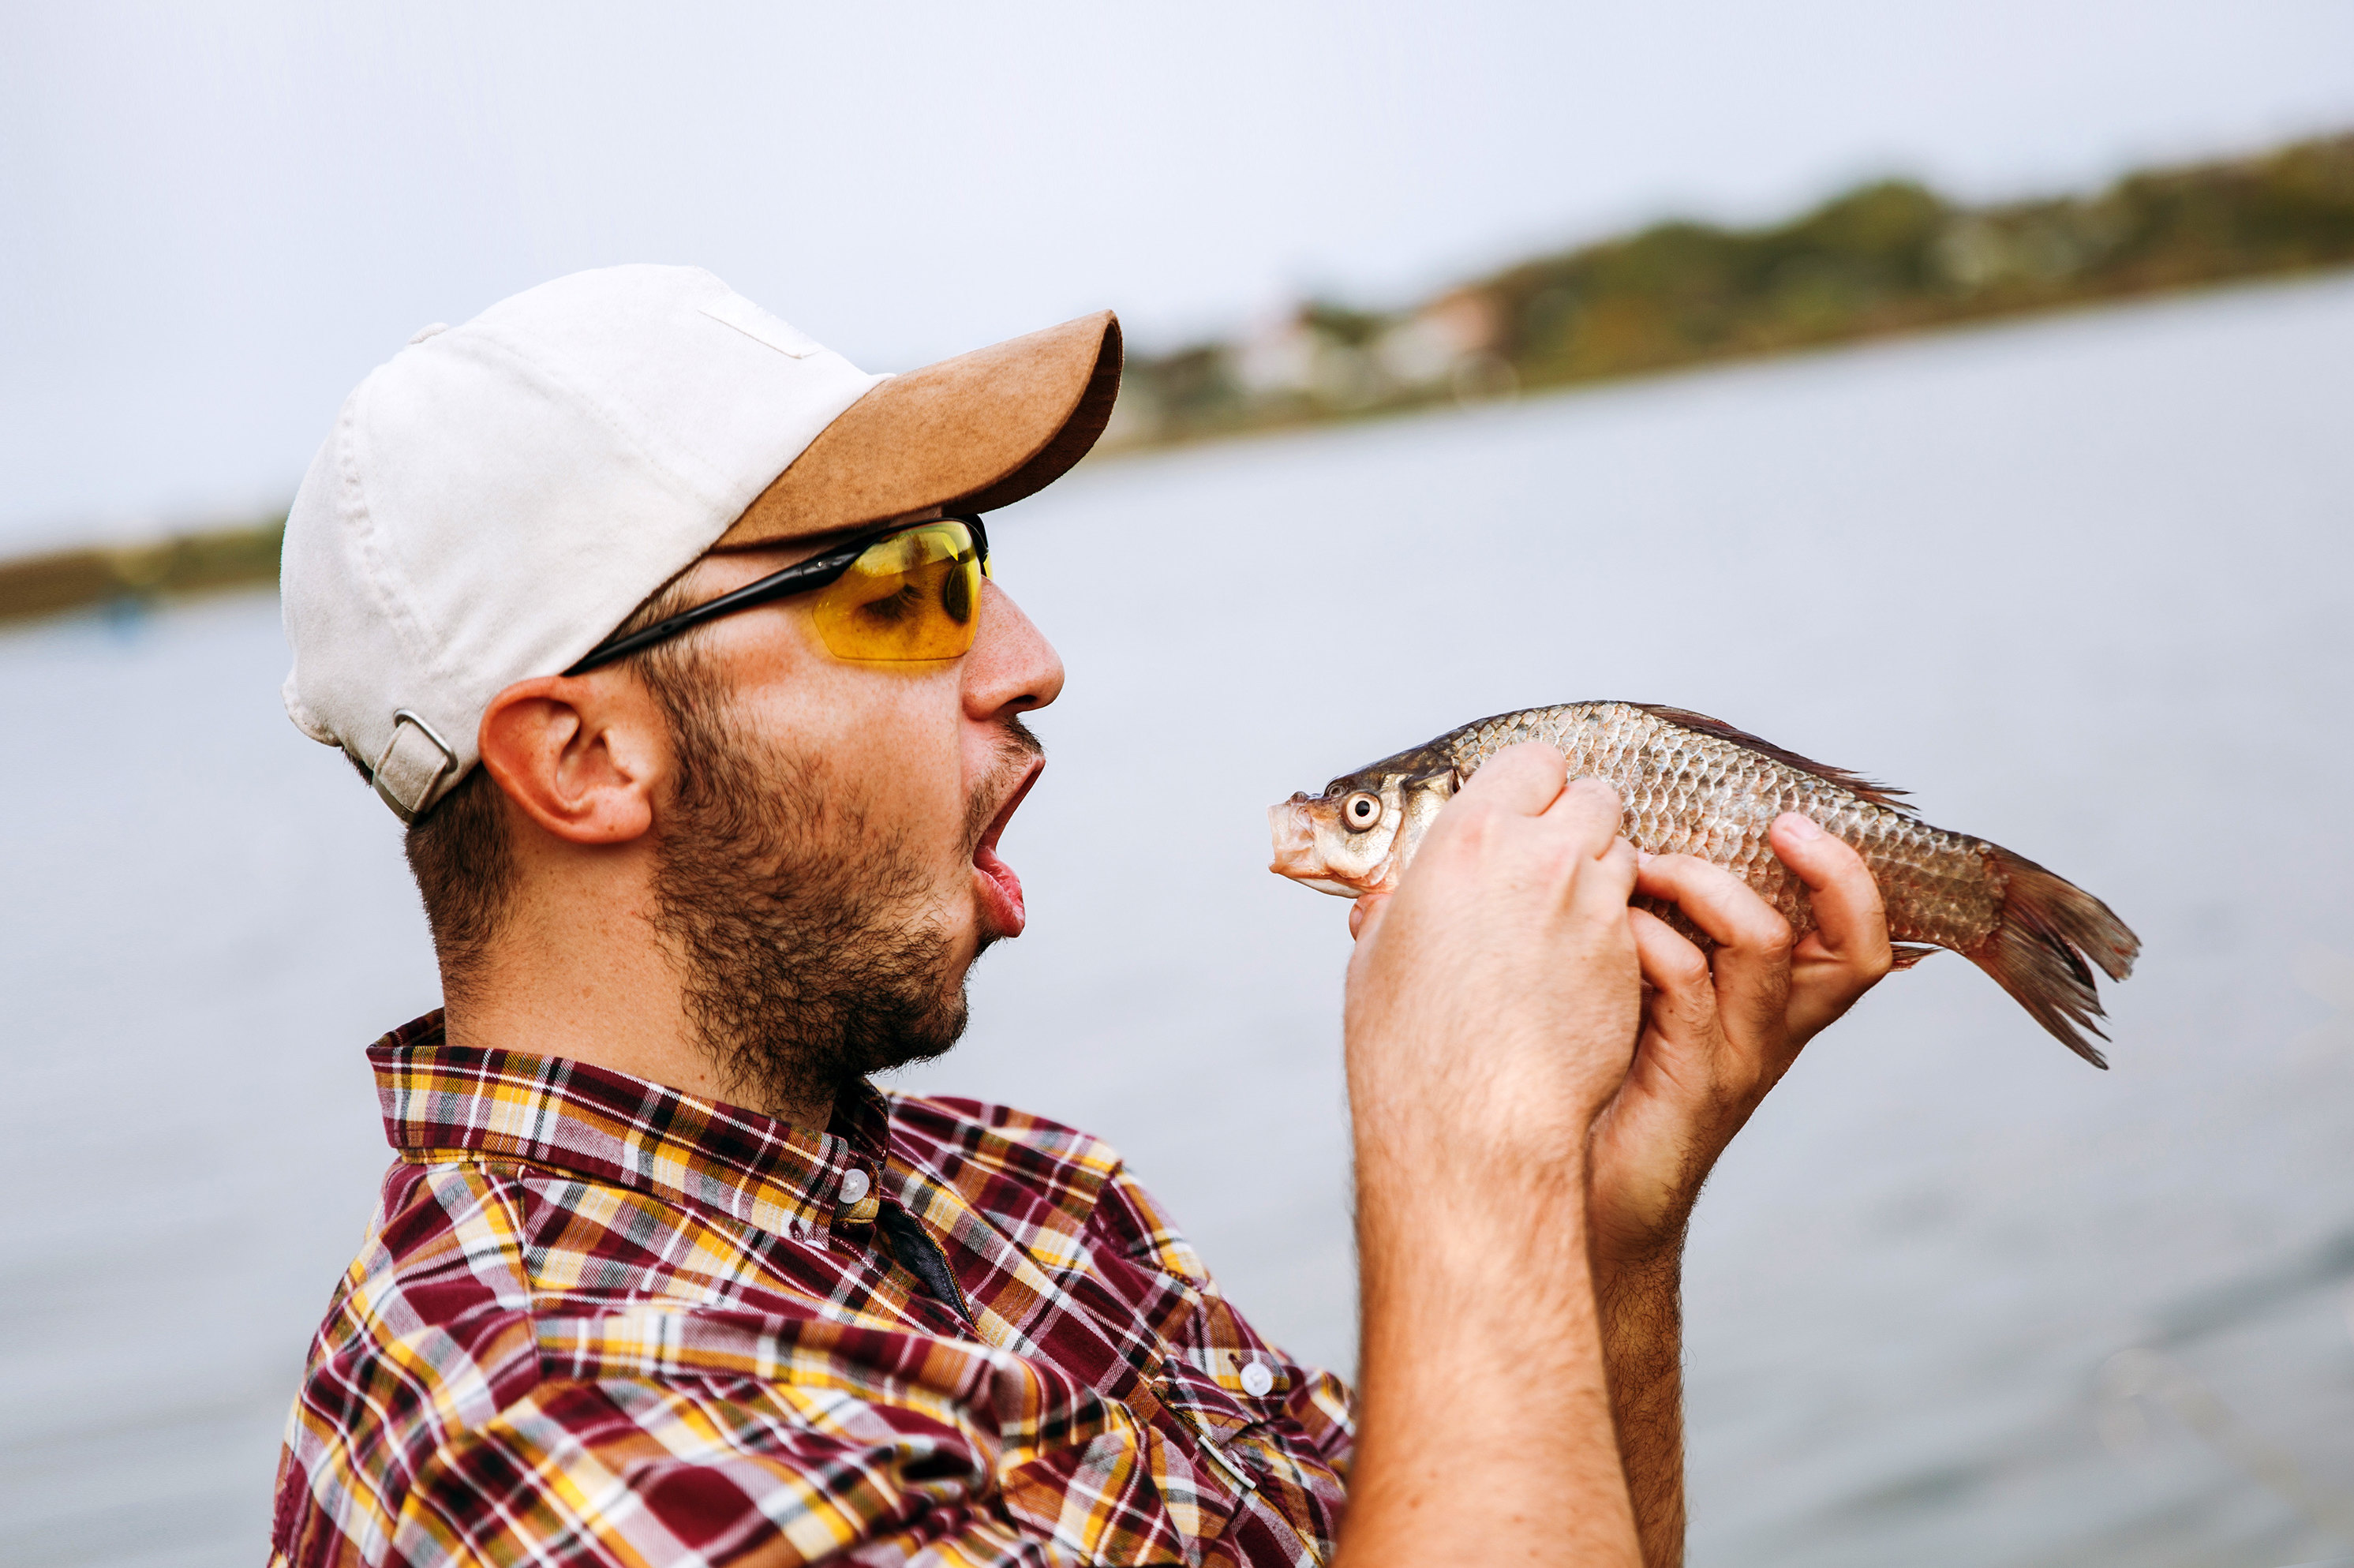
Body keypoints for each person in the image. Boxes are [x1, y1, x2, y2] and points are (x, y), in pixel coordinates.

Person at [268, 266, 1894, 1568]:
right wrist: (1462, 1163)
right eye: (900, 589)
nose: (1028, 656)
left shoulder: (1033, 1200)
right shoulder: (566, 1433)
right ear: (588, 757)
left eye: (973, 564)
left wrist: (1592, 1226)